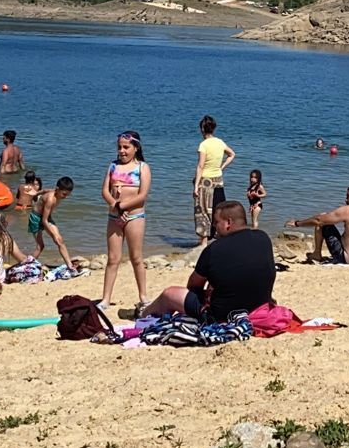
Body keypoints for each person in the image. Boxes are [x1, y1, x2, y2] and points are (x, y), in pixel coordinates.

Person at [144, 202, 276, 323]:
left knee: (170, 294)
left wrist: (209, 292)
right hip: (261, 306)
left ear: (228, 222)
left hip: (221, 315)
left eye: (216, 222)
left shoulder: (214, 249)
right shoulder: (263, 238)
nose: (214, 226)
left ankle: (143, 315)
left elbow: (193, 285)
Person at [100, 131, 151, 313]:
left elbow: (142, 195)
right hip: (114, 217)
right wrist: (114, 205)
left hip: (134, 217)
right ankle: (106, 298)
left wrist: (123, 206)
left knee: (136, 258)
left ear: (136, 148)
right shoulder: (113, 166)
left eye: (126, 147)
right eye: (119, 147)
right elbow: (105, 191)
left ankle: (143, 296)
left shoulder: (142, 167)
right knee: (113, 259)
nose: (122, 151)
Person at [291, 184, 349, 265]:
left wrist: (297, 223)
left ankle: (317, 254)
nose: (346, 199)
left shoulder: (348, 210)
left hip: (346, 260)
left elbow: (318, 220)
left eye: (348, 196)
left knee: (323, 219)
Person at [194, 115, 236, 246]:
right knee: (218, 210)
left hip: (205, 181)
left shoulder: (203, 145)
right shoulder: (220, 142)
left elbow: (201, 166)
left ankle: (204, 242)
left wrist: (196, 186)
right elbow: (232, 154)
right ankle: (220, 237)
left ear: (202, 129)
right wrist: (222, 167)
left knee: (202, 211)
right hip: (218, 180)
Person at [37, 176, 77, 273]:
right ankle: (27, 264)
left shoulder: (56, 191)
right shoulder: (50, 200)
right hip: (37, 218)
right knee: (40, 246)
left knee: (60, 241)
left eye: (67, 195)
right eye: (64, 194)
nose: (65, 197)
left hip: (47, 217)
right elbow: (44, 220)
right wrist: (53, 234)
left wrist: (35, 193)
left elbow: (45, 190)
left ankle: (69, 265)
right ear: (58, 189)